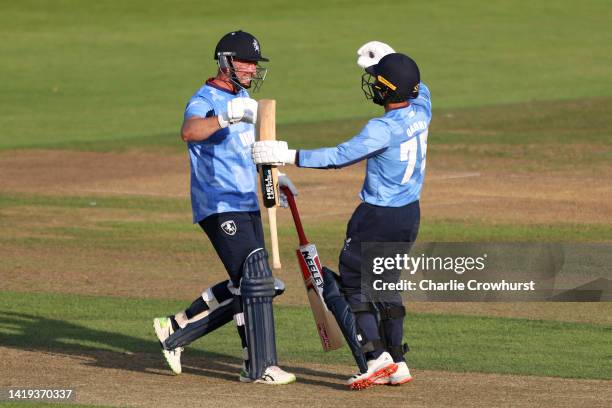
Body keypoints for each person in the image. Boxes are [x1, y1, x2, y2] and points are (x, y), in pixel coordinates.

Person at [252, 42, 431, 389]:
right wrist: (392, 60)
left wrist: (285, 154)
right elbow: (418, 85)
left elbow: (339, 156)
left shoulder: (382, 130)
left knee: (353, 278)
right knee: (385, 284)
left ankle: (376, 356)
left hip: (377, 216)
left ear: (385, 89)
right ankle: (398, 361)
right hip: (409, 215)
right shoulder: (422, 109)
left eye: (378, 79)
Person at [153, 30, 296, 385]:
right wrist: (224, 118)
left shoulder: (245, 98)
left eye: (254, 64)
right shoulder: (205, 99)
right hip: (218, 203)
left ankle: (177, 328)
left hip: (247, 200)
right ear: (225, 61)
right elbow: (189, 131)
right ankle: (261, 366)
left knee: (252, 284)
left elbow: (253, 151)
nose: (251, 69)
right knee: (256, 282)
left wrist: (274, 177)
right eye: (245, 62)